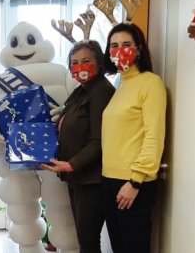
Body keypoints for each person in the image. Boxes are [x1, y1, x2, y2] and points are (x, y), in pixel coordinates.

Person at [41, 40, 115, 253]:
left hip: (91, 180)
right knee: (84, 238)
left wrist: (71, 165)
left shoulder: (101, 91)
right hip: (77, 178)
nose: (79, 67)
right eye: (74, 63)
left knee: (88, 241)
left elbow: (99, 140)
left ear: (99, 63)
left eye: (85, 61)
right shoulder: (82, 90)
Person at [101, 23, 166, 253]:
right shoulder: (121, 85)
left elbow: (153, 135)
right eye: (114, 46)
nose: (120, 50)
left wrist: (136, 180)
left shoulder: (150, 83)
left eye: (126, 45)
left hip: (132, 183)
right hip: (109, 180)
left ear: (138, 50)